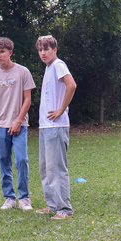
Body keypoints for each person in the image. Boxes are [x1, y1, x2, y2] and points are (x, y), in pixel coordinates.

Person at [0, 37, 36, 211]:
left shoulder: (23, 72)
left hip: (20, 125)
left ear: (10, 52)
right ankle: (9, 198)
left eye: (2, 52)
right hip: (0, 126)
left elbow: (28, 99)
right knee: (4, 161)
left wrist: (18, 120)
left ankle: (24, 198)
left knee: (21, 160)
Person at [34, 35, 77, 220]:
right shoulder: (48, 67)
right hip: (45, 126)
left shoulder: (59, 65)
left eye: (46, 49)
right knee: (45, 169)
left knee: (56, 168)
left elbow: (71, 85)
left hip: (56, 126)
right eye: (40, 50)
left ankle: (64, 209)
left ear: (54, 50)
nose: (43, 53)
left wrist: (61, 109)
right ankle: (52, 205)